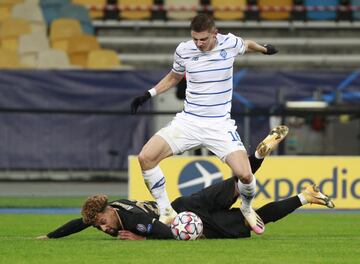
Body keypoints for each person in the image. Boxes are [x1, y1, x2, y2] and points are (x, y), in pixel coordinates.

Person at [37, 126, 335, 240]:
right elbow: (80, 223)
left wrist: (142, 239)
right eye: (99, 226)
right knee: (239, 183)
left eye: (102, 222)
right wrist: (51, 237)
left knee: (250, 220)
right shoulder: (110, 210)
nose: (104, 228)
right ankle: (302, 193)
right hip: (188, 204)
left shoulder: (131, 219)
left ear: (109, 211)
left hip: (185, 219)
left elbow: (162, 231)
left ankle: (299, 194)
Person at [130, 13, 279, 234]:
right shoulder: (184, 50)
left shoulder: (229, 43)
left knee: (245, 175)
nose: (198, 44)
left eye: (203, 39)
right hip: (188, 121)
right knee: (146, 158)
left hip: (219, 125)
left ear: (214, 34)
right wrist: (148, 94)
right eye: (195, 39)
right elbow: (174, 76)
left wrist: (264, 49)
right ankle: (166, 210)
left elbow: (246, 44)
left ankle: (247, 208)